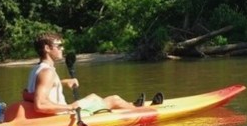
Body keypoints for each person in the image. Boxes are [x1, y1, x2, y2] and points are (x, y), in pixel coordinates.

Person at [25, 32, 161, 115]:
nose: (62, 49)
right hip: (63, 115)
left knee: (96, 98)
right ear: (47, 48)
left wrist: (62, 83)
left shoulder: (37, 69)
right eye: (59, 46)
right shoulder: (47, 72)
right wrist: (70, 107)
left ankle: (133, 106)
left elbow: (29, 92)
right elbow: (40, 105)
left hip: (60, 113)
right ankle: (142, 112)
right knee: (114, 99)